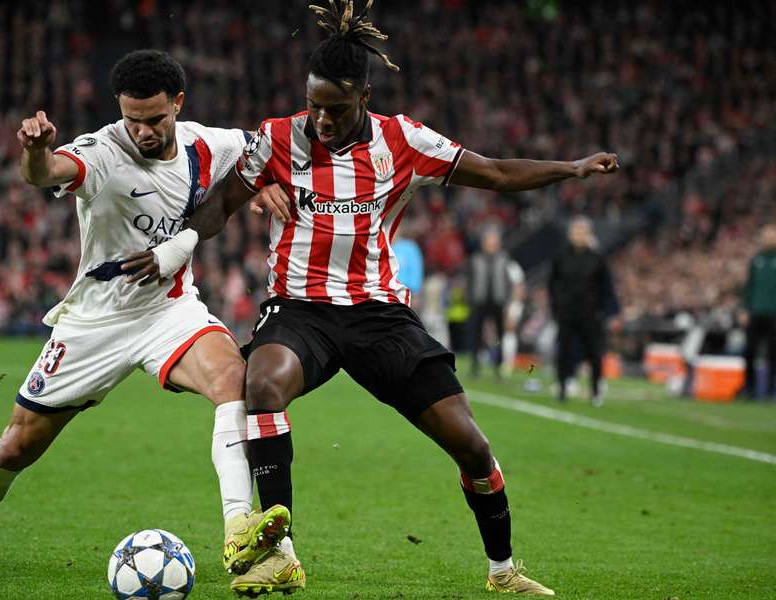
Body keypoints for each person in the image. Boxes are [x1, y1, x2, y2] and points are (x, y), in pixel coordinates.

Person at [138, 2, 617, 595]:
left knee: (471, 444)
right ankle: (279, 551)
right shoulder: (277, 139)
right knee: (260, 383)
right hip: (300, 309)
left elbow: (492, 173)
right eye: (313, 104)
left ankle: (503, 571)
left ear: (363, 97)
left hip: (379, 315)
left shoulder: (403, 140)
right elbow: (212, 217)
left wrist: (571, 168)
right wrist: (248, 191)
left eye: (335, 109)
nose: (321, 119)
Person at [0, 50, 291, 587]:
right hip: (93, 324)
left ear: (179, 105)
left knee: (233, 380)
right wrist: (35, 151)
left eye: (155, 119)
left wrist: (263, 186)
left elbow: (265, 151)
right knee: (17, 444)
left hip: (168, 310)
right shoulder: (101, 150)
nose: (142, 130)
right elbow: (46, 172)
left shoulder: (210, 144)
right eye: (132, 119)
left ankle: (238, 525)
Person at [548, 217, 620, 406]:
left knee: (594, 352)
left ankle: (596, 390)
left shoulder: (598, 258)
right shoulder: (560, 256)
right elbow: (552, 285)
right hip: (566, 312)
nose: (578, 235)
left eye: (582, 231)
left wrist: (606, 311)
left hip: (591, 313)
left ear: (589, 234)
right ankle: (562, 386)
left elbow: (606, 286)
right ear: (570, 234)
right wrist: (556, 307)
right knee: (564, 351)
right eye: (575, 231)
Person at [467, 226, 526, 377]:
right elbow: (469, 281)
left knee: (499, 335)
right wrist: (470, 300)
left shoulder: (505, 259)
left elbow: (511, 282)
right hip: (479, 301)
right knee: (476, 335)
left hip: (498, 302)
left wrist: (508, 302)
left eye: (494, 242)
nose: (491, 245)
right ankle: (475, 365)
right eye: (489, 241)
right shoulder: (475, 259)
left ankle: (498, 366)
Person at [738, 224, 776, 399]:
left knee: (773, 353)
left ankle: (770, 391)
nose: (768, 238)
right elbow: (748, 287)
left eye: (771, 235)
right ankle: (749, 389)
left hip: (773, 313)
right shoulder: (756, 260)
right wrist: (744, 309)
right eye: (766, 235)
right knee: (749, 351)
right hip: (755, 312)